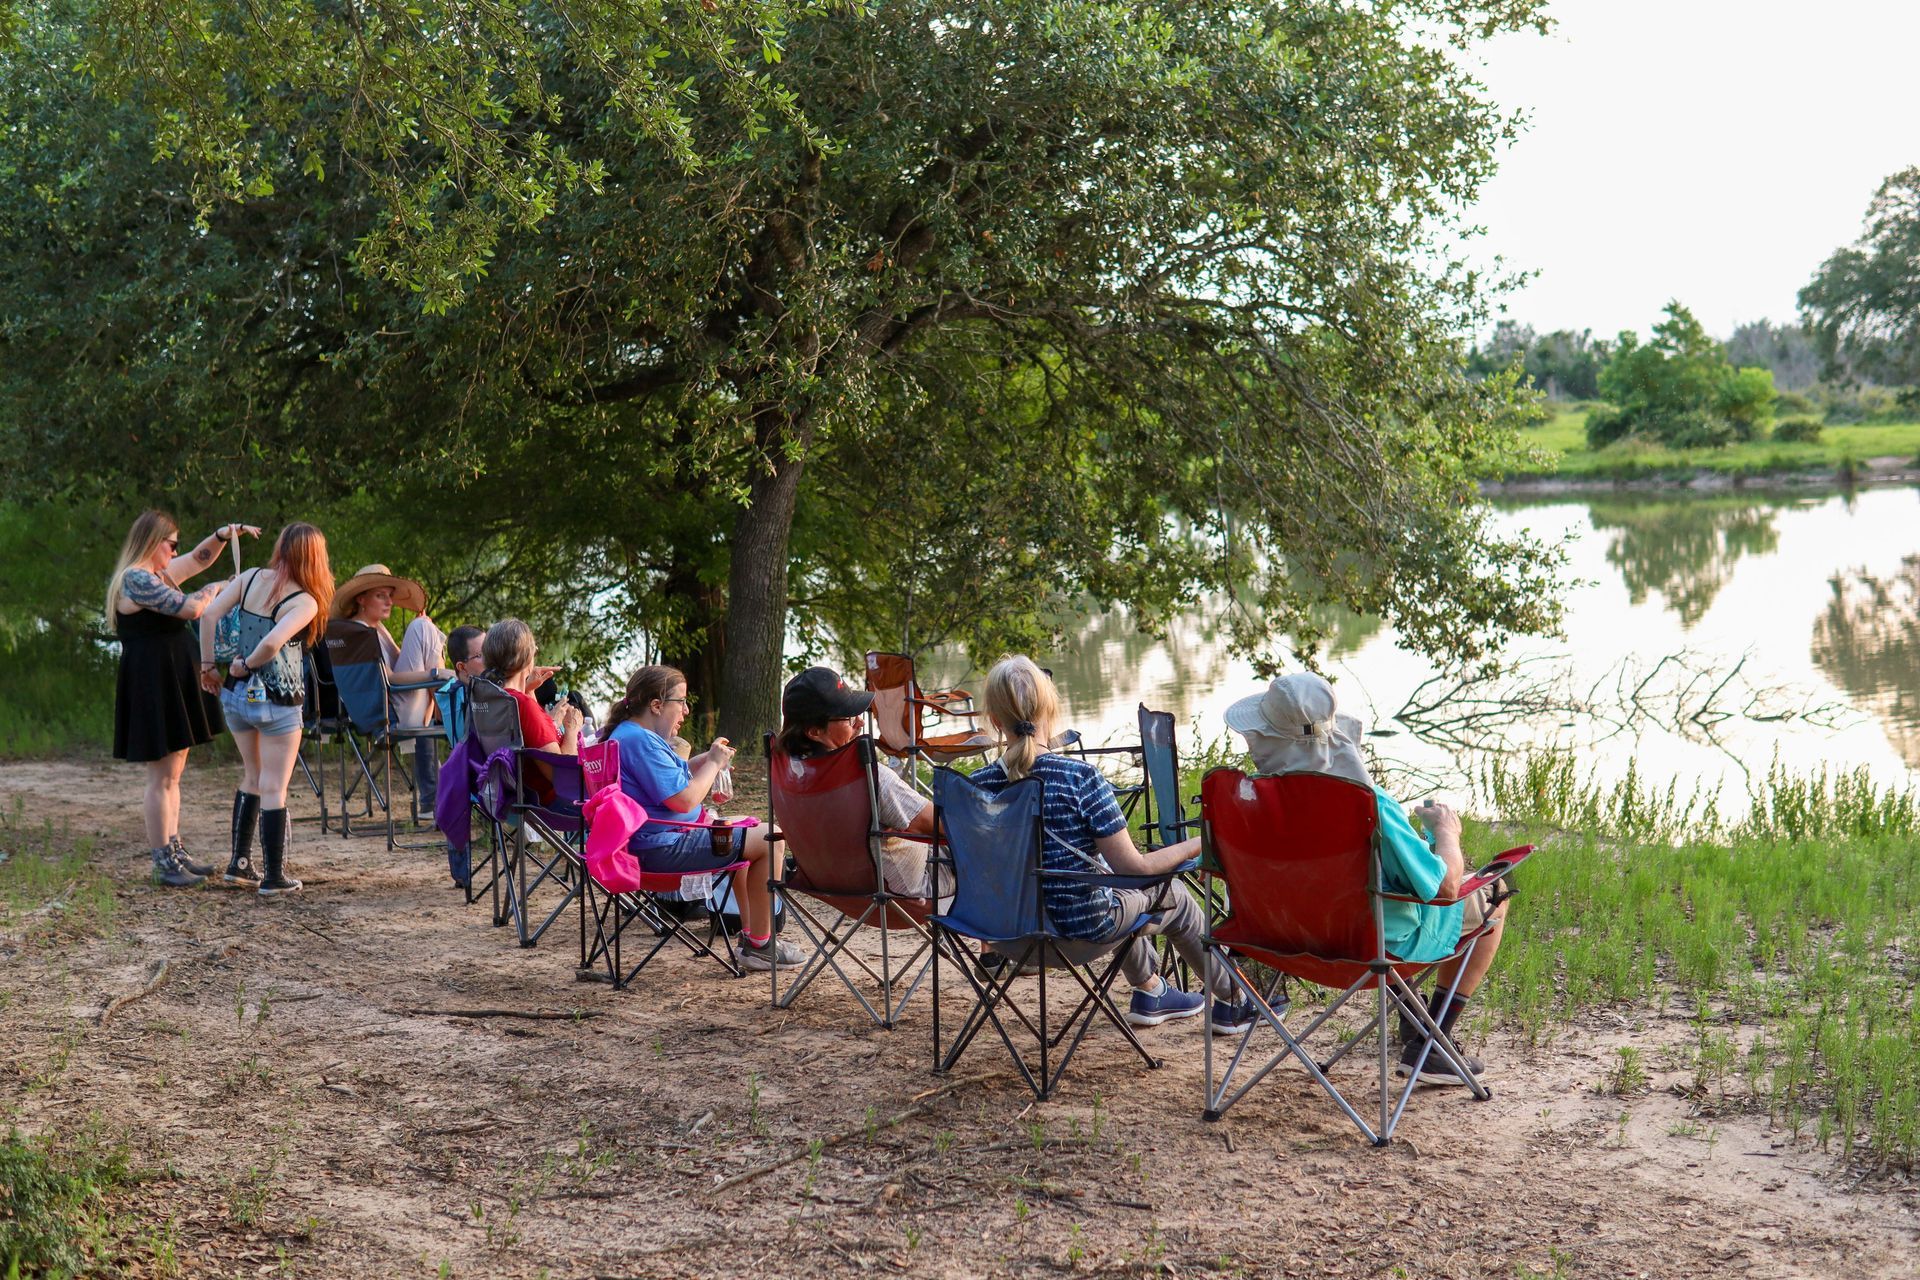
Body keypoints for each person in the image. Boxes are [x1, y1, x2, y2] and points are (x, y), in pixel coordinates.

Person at [1224, 671, 1510, 1085]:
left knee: (1375, 897)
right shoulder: (1367, 806)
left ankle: (1417, 1019)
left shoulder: (1245, 802)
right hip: (1367, 946)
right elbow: (1444, 887)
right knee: (1495, 891)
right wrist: (1446, 832)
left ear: (1263, 737)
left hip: (1277, 937)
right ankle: (1433, 1044)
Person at [962, 656, 1240, 1029]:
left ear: (995, 721)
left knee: (1108, 879)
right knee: (1171, 894)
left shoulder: (975, 785)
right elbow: (1135, 869)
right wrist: (1199, 844)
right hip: (1078, 934)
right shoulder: (1080, 779)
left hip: (1004, 936)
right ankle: (1236, 998)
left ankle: (1151, 990)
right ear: (1051, 709)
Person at [600, 664, 801, 971]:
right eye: (681, 701)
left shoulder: (628, 735)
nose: (686, 710)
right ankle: (760, 945)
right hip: (662, 848)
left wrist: (707, 760)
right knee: (771, 838)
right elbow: (685, 799)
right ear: (656, 705)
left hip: (656, 840)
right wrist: (713, 765)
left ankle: (753, 937)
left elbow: (673, 780)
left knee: (747, 827)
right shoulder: (639, 741)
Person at [107, 510, 261, 887]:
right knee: (161, 776)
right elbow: (191, 607)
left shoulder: (159, 574)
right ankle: (163, 861)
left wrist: (223, 535)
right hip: (153, 681)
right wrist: (219, 588)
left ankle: (174, 850)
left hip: (170, 677)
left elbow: (197, 558)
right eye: (171, 545)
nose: (176, 553)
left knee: (173, 774)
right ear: (153, 541)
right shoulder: (136, 579)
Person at [196, 524, 334, 895]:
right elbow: (273, 643)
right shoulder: (306, 601)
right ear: (316, 559)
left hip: (236, 696)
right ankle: (274, 876)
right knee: (275, 785)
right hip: (279, 700)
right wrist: (248, 664)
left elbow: (208, 616)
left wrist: (209, 667)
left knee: (252, 776)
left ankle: (240, 864)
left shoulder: (251, 577)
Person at [775, 665, 946, 900]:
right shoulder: (867, 779)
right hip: (901, 891)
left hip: (828, 885)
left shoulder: (786, 776)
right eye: (848, 717)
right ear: (814, 731)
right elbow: (939, 824)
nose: (860, 723)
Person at [329, 565, 450, 796]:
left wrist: (429, 651)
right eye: (380, 596)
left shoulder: (373, 628)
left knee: (424, 626)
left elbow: (397, 658)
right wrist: (438, 675)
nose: (389, 602)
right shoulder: (360, 634)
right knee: (422, 627)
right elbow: (391, 678)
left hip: (392, 707)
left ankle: (441, 709)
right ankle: (443, 712)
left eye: (390, 596)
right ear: (362, 599)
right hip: (388, 713)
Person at [479, 619, 581, 755]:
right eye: (534, 651)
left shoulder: (490, 697)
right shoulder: (523, 705)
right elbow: (558, 771)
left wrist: (529, 690)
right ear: (527, 657)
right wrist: (571, 730)